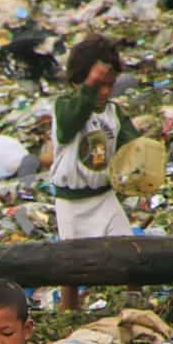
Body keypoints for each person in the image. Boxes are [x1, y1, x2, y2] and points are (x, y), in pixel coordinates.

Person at [51, 33, 140, 311]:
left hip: (103, 197)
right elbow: (67, 127)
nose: (104, 92)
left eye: (109, 86)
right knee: (70, 266)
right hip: (70, 201)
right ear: (78, 82)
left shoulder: (113, 114)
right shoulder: (66, 106)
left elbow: (133, 146)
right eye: (97, 85)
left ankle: (135, 305)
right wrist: (88, 89)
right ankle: (69, 314)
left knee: (129, 253)